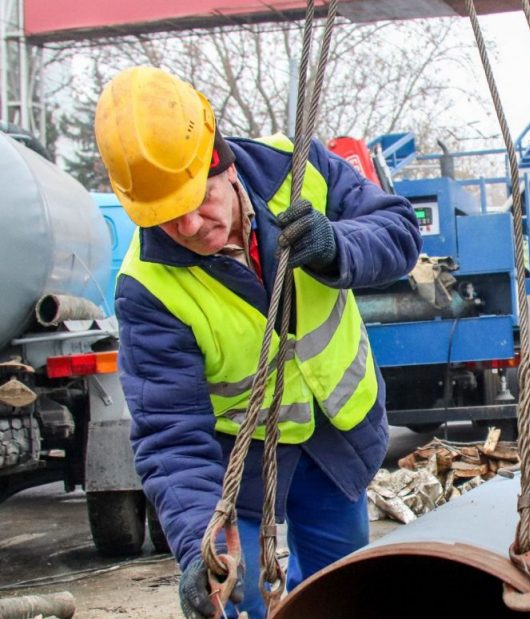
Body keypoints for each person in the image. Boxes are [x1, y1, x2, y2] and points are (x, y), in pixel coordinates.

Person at [95, 66, 422, 618]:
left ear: (221, 163)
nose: (191, 226)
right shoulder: (148, 287)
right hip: (240, 466)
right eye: (168, 219)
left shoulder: (296, 170)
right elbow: (170, 433)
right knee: (233, 588)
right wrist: (196, 546)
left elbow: (399, 230)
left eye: (199, 200)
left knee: (341, 588)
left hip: (337, 439)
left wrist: (336, 245)